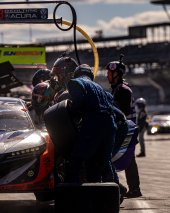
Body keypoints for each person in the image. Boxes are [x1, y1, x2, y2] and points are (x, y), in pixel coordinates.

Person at [65, 64, 117, 183]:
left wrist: (70, 113)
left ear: (76, 74)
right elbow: (110, 100)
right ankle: (114, 193)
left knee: (77, 157)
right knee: (104, 161)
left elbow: (79, 101)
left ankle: (69, 192)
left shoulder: (75, 82)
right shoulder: (99, 87)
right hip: (110, 124)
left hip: (94, 122)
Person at [106, 55, 142, 198]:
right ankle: (130, 188)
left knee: (128, 159)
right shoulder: (117, 89)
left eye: (110, 73)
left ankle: (134, 189)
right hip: (123, 129)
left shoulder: (123, 90)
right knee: (125, 159)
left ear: (117, 74)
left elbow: (123, 112)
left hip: (126, 130)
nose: (108, 75)